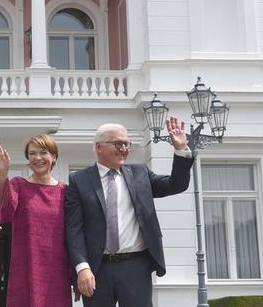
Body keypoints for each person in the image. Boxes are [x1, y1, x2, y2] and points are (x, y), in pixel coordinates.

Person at [65, 119, 193, 307]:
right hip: (97, 268)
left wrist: (181, 150)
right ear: (99, 147)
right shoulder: (79, 180)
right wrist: (82, 267)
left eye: (127, 144)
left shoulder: (141, 173)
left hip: (136, 266)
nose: (124, 148)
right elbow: (74, 229)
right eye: (118, 143)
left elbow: (176, 184)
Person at [0, 135, 72, 307]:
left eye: (43, 152)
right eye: (32, 153)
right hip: (25, 270)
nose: (37, 158)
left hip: (57, 272)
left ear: (54, 156)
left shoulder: (65, 192)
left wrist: (77, 274)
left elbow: (74, 234)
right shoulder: (19, 185)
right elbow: (2, 213)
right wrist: (3, 174)